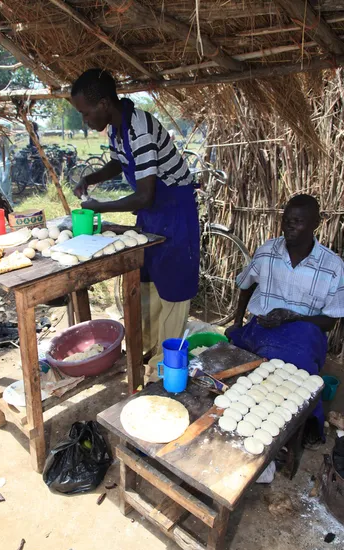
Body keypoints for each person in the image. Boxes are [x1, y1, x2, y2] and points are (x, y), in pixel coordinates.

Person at [70, 69, 199, 373]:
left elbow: (144, 196)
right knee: (149, 282)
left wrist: (100, 208)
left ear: (103, 104)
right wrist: (91, 176)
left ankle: (166, 365)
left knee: (173, 288)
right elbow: (119, 161)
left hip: (174, 211)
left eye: (85, 113)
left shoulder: (139, 127)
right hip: (153, 213)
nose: (84, 120)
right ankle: (146, 351)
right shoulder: (118, 127)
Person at [226, 194, 344, 446]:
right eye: (287, 220)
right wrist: (237, 322)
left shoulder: (332, 266)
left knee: (292, 372)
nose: (290, 226)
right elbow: (245, 286)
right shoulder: (267, 251)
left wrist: (292, 316)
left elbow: (330, 322)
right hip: (262, 328)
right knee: (234, 363)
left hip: (305, 334)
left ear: (316, 223)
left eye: (299, 221)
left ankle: (302, 426)